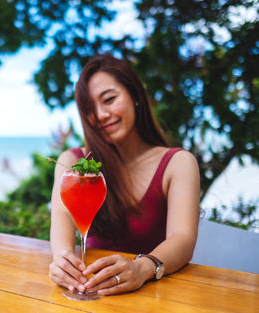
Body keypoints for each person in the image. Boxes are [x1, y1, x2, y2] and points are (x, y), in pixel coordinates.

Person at [49, 54, 201, 296]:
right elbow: (61, 227)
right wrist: (62, 262)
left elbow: (182, 240)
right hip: (90, 292)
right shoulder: (72, 162)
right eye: (89, 109)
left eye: (109, 99)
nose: (100, 115)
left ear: (135, 96)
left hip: (154, 297)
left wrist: (142, 268)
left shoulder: (178, 163)